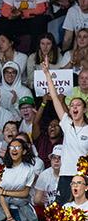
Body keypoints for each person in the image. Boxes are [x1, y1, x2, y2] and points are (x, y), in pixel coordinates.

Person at [42, 57, 88, 204]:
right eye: (72, 105)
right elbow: (55, 98)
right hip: (66, 175)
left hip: (83, 177)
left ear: (85, 109)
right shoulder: (66, 124)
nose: (74, 107)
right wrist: (47, 74)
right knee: (60, 214)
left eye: (78, 105)